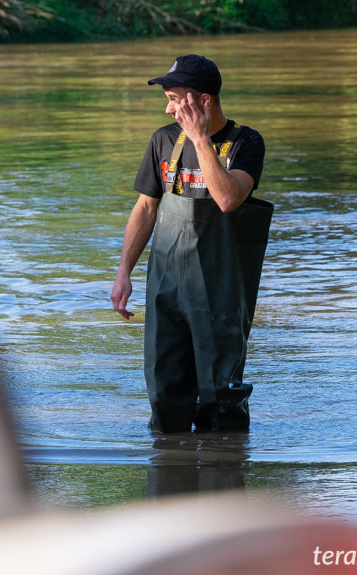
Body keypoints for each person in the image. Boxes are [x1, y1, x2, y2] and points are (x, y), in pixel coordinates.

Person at [110, 54, 273, 434]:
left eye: (174, 98)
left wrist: (200, 139)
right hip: (165, 287)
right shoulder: (162, 140)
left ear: (203, 101)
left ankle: (226, 475)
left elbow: (228, 200)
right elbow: (146, 208)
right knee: (165, 393)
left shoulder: (246, 142)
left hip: (220, 292)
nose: (168, 108)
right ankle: (170, 475)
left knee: (220, 396)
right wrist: (123, 273)